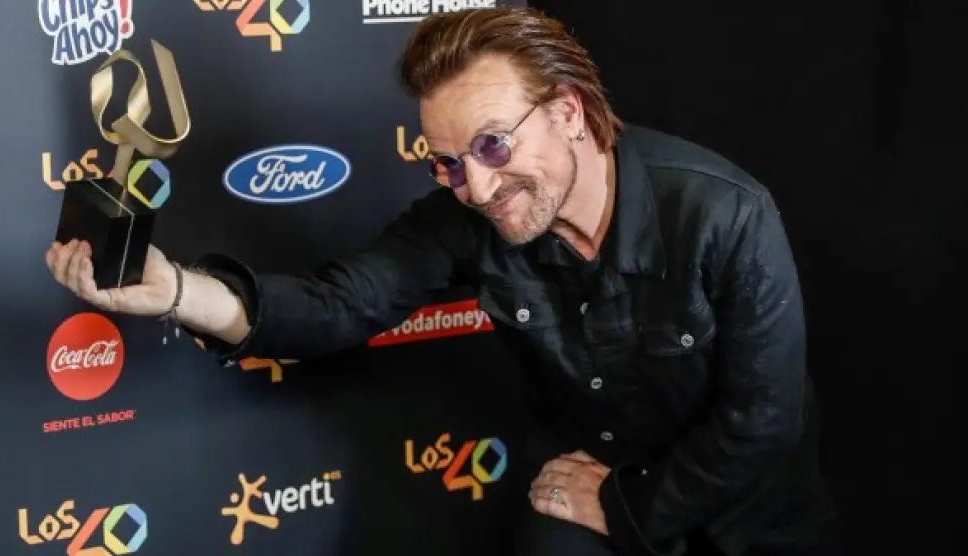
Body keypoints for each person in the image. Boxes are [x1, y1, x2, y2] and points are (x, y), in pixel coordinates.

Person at [45, 6, 841, 556]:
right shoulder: (465, 216)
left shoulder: (725, 213)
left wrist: (627, 505)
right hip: (584, 483)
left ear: (568, 112)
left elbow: (763, 423)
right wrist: (176, 291)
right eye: (449, 163)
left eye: (494, 145)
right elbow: (340, 304)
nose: (478, 188)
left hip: (743, 511)